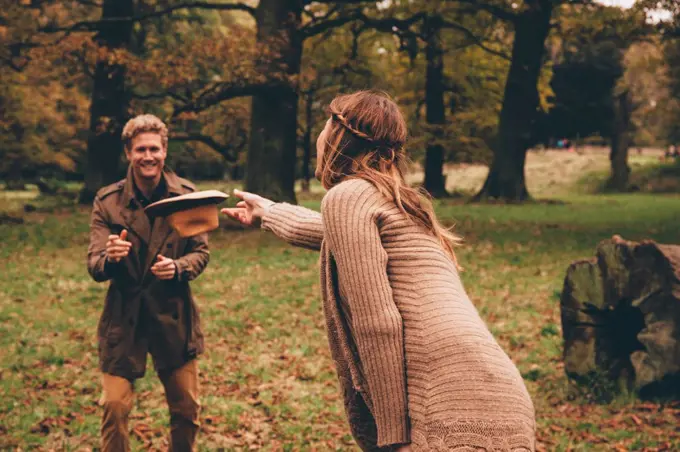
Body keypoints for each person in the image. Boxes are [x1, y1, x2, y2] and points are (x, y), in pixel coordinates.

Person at [223, 91, 536, 451]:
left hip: (447, 402)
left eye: (327, 125)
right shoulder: (399, 202)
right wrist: (268, 211)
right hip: (498, 393)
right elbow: (333, 235)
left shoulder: (349, 196)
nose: (319, 138)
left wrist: (391, 433)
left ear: (340, 136)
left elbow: (377, 321)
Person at [87, 114, 209, 452]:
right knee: (113, 406)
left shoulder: (186, 196)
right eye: (140, 149)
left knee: (186, 408)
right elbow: (94, 265)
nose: (148, 156)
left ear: (165, 151)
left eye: (154, 148)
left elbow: (200, 253)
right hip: (124, 317)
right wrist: (111, 257)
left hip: (173, 314)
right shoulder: (107, 201)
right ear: (128, 152)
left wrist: (179, 267)